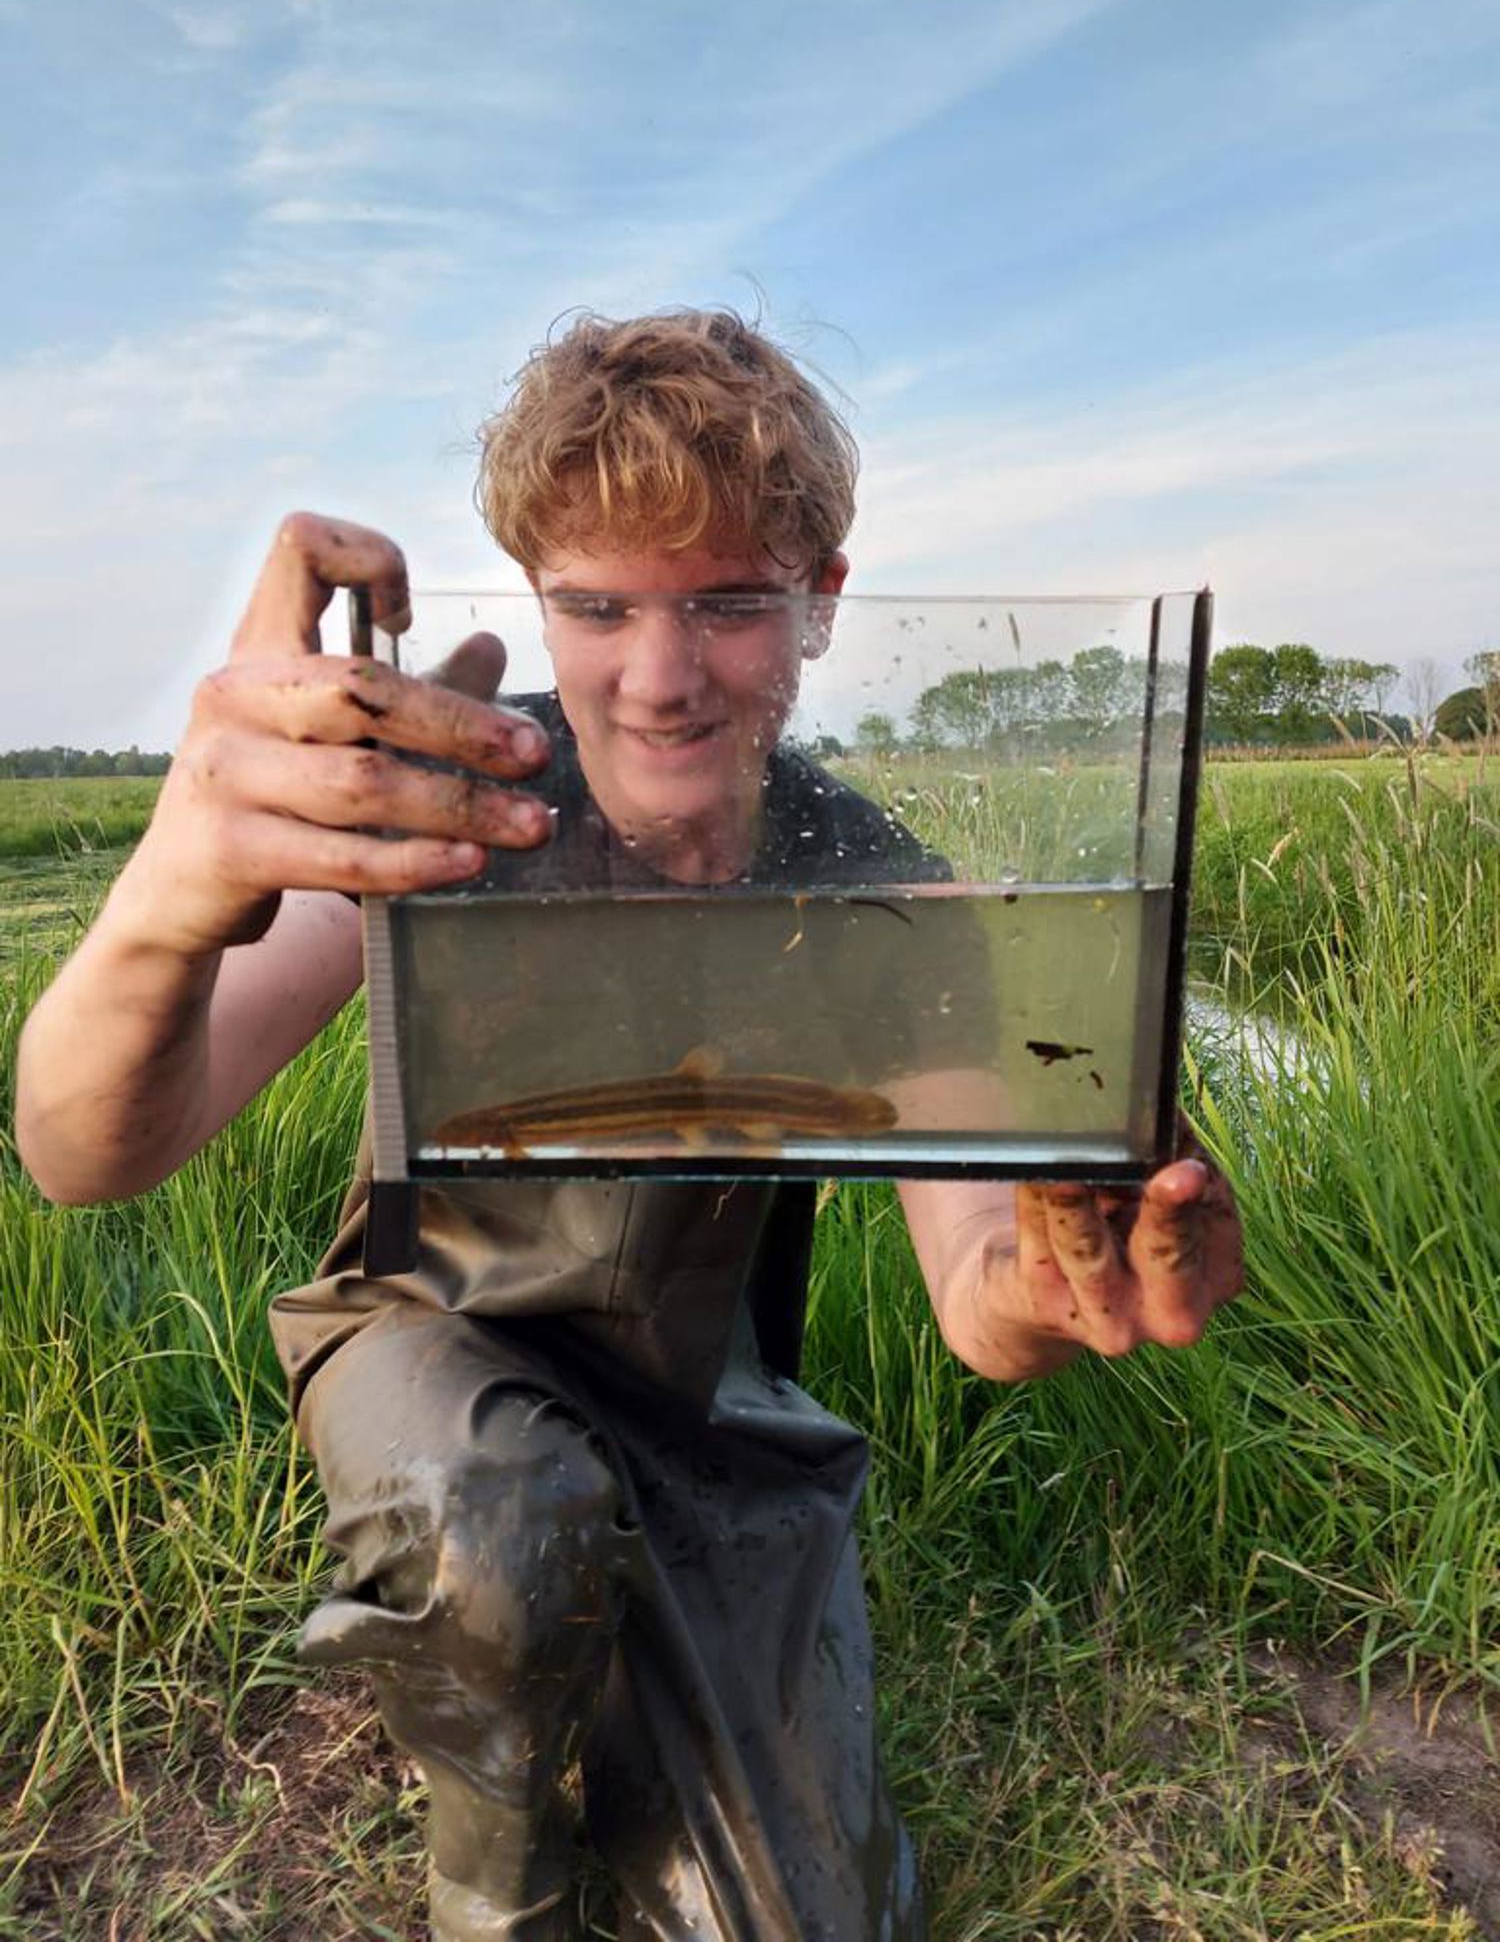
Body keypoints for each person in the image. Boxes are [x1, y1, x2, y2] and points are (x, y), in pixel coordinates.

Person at [16, 309, 1243, 1941]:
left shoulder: (889, 895)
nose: (659, 682)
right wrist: (177, 891)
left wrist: (1063, 1278)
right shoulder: (440, 805)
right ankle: (489, 1856)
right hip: (435, 1350)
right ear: (535, 598)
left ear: (822, 603)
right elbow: (85, 1148)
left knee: (797, 1924)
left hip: (706, 1407)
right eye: (596, 607)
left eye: (729, 605)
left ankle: (617, 1656)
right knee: (498, 1522)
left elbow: (977, 1293)